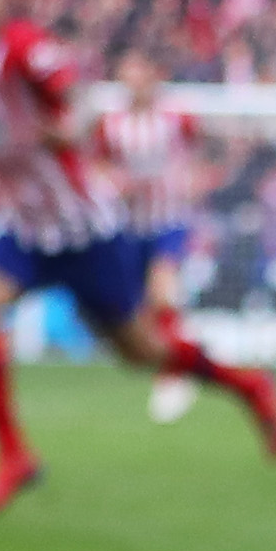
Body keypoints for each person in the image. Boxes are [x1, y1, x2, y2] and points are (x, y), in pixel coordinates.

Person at [0, 0, 276, 516]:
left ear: (1, 3)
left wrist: (67, 128)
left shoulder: (22, 48)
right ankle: (13, 456)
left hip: (86, 231)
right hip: (25, 230)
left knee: (143, 352)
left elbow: (77, 100)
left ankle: (248, 385)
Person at [93, 50, 211, 425]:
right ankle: (186, 358)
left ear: (153, 77)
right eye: (126, 75)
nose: (134, 83)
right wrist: (113, 184)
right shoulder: (110, 125)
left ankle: (173, 377)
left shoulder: (177, 117)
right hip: (130, 225)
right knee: (144, 310)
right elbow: (99, 165)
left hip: (169, 220)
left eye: (139, 74)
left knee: (162, 291)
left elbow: (198, 154)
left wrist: (190, 183)